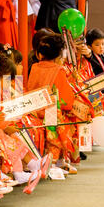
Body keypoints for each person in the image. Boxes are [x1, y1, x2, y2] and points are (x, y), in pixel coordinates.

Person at [28, 33, 78, 172]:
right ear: (59, 55)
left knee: (56, 114)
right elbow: (66, 100)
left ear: (39, 54)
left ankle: (57, 161)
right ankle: (57, 161)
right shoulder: (59, 70)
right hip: (50, 112)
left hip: (34, 109)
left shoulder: (35, 67)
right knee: (68, 117)